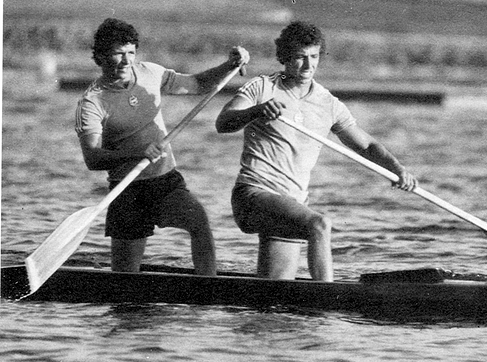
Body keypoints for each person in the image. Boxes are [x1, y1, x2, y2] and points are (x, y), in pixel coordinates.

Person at [215, 20, 417, 282]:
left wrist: (397, 169)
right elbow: (223, 122)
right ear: (284, 58)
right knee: (319, 225)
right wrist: (257, 111)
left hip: (292, 203)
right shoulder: (262, 87)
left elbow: (367, 145)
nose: (308, 65)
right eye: (300, 57)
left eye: (314, 57)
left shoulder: (328, 103)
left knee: (274, 291)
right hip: (253, 197)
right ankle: (330, 300)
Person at [75, 18, 250, 275]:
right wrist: (137, 153)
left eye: (131, 52)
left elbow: (198, 84)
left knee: (198, 221)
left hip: (164, 181)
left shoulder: (150, 72)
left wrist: (230, 65)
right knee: (124, 279)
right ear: (100, 57)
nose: (126, 61)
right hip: (127, 191)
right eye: (118, 54)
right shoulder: (92, 102)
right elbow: (92, 158)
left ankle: (208, 288)